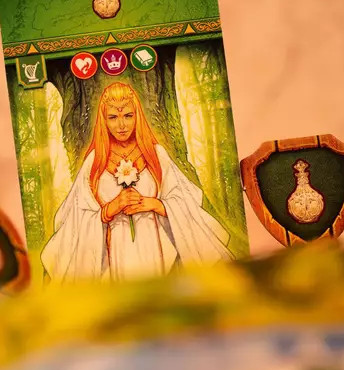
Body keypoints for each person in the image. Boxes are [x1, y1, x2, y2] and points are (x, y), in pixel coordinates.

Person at [41, 82, 232, 283]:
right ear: (103, 120)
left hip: (156, 248)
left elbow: (184, 199)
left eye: (128, 116)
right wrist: (109, 209)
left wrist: (157, 204)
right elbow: (75, 217)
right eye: (113, 117)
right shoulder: (94, 162)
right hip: (114, 254)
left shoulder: (156, 155)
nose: (121, 125)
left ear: (137, 115)